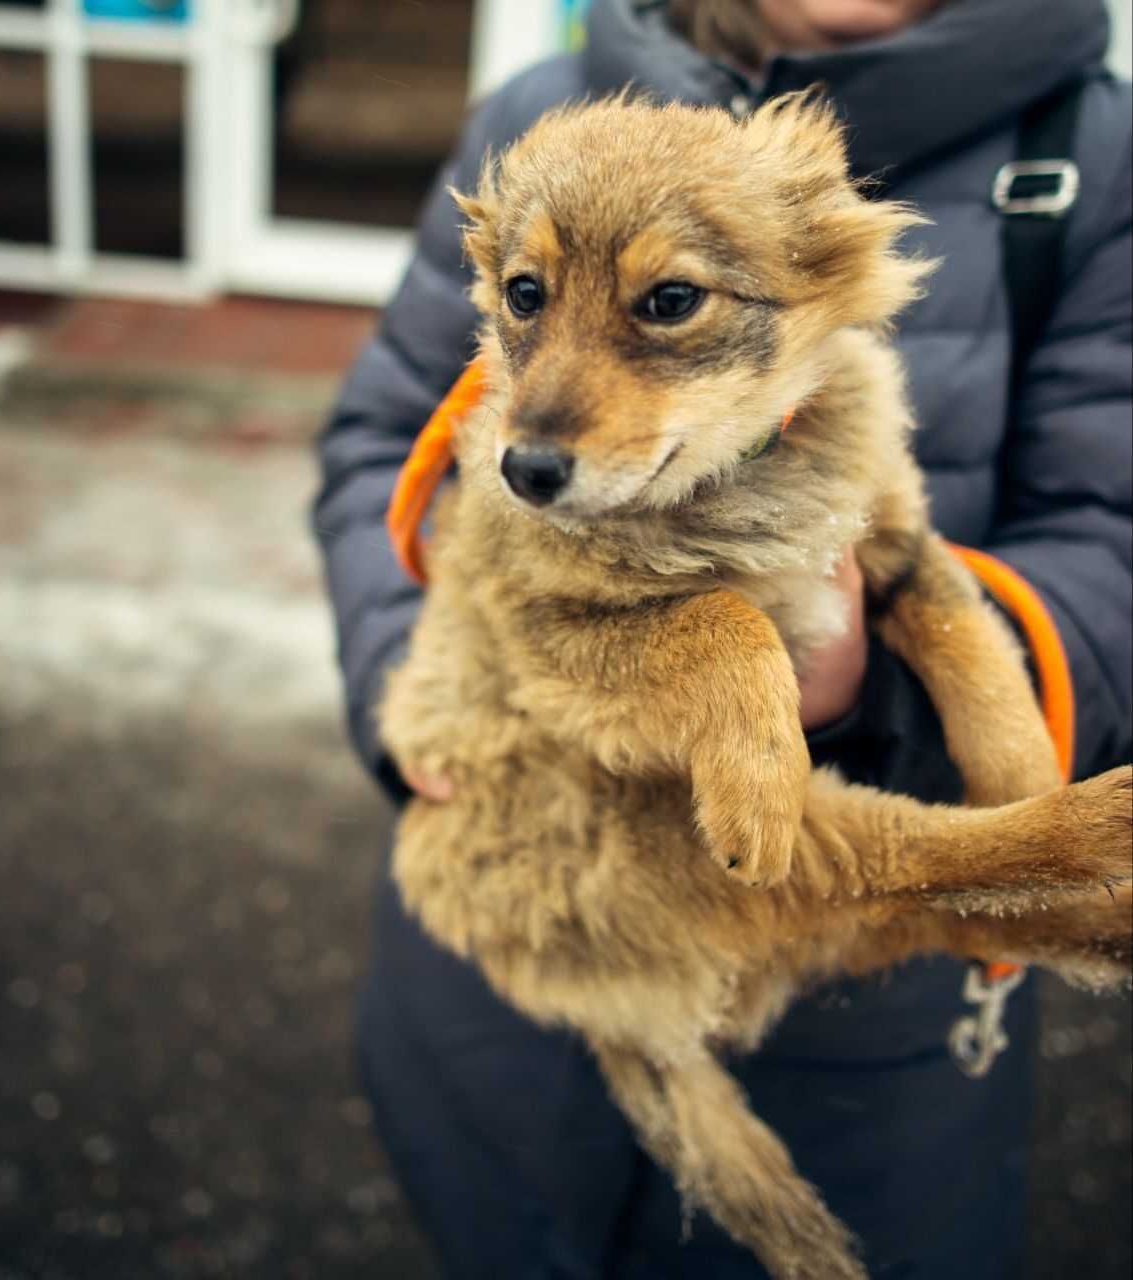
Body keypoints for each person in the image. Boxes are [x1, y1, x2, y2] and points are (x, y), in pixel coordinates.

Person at [311, 2, 1132, 1276]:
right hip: (504, 962)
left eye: (668, 302)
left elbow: (1107, 533)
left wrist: (880, 699)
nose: (555, 397)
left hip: (865, 1050)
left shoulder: (1088, 159)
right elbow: (377, 443)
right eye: (526, 296)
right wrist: (404, 680)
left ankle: (994, 871)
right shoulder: (536, 114)